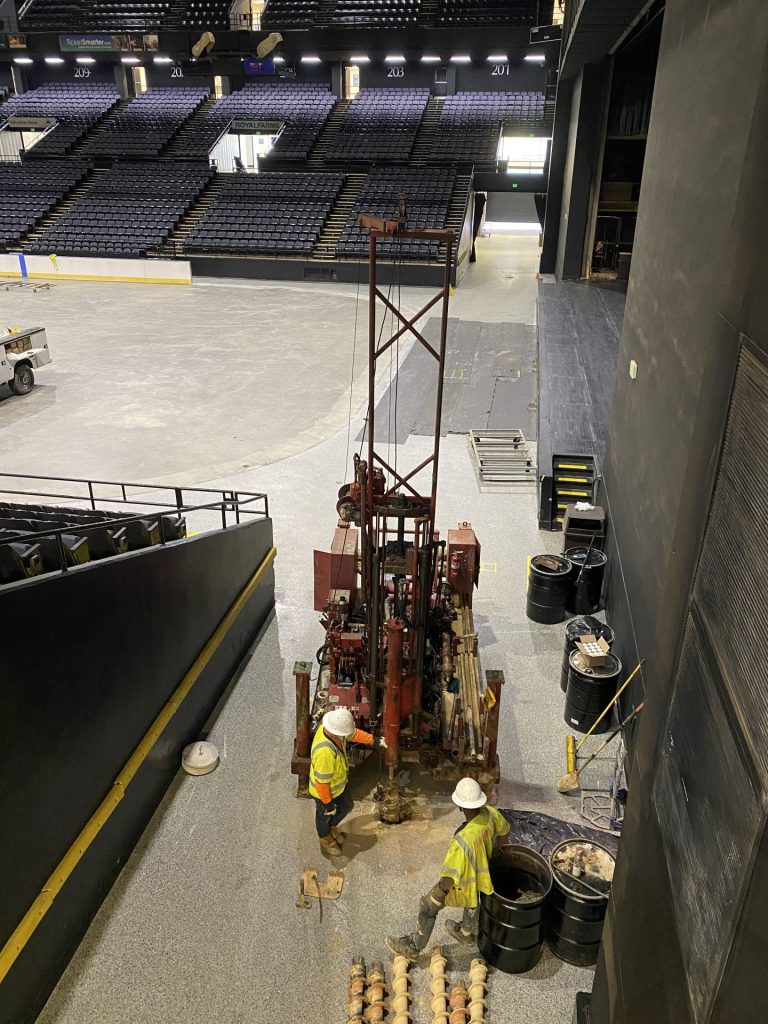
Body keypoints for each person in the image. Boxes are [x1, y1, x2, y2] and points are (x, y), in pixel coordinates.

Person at [387, 777, 510, 960]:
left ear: (460, 806)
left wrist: (439, 892)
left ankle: (414, 947)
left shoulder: (461, 842)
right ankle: (466, 932)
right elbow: (504, 832)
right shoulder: (491, 813)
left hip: (464, 881)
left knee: (427, 907)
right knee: (474, 896)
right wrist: (495, 854)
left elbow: (449, 878)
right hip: (484, 874)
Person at [309, 708, 382, 857]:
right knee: (324, 816)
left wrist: (373, 740)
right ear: (336, 731)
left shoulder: (332, 729)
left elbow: (352, 734)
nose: (346, 735)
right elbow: (322, 783)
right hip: (324, 793)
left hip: (338, 786)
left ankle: (332, 827)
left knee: (347, 806)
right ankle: (325, 837)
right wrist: (328, 804)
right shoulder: (325, 753)